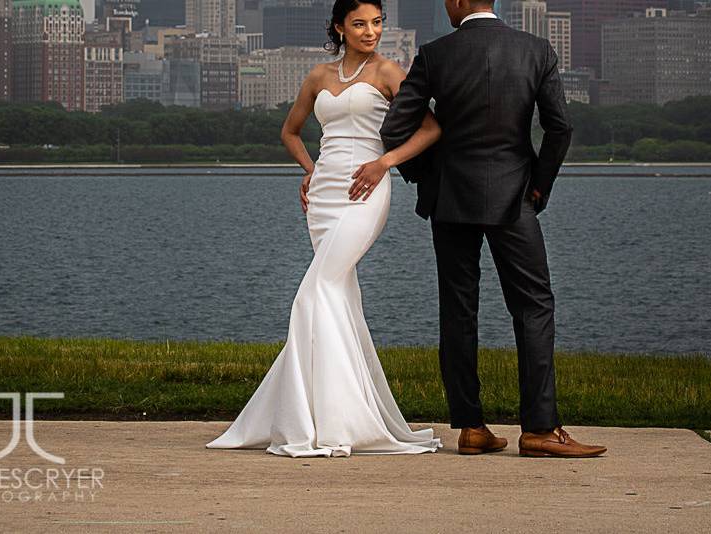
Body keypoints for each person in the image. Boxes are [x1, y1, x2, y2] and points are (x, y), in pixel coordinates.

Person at [355, 0, 607, 457]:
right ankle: (540, 429)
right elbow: (560, 129)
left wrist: (428, 178)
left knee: (458, 310)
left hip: (450, 198)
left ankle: (470, 427)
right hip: (515, 197)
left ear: (455, 2)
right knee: (533, 307)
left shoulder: (435, 53)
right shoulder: (537, 49)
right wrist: (538, 187)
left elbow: (395, 128)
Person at [205, 0, 444, 457]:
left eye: (376, 22)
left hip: (366, 191)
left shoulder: (389, 72)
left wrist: (384, 163)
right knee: (336, 298)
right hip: (325, 194)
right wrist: (310, 170)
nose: (371, 31)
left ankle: (310, 417)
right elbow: (290, 132)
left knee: (313, 292)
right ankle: (336, 415)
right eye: (360, 24)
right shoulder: (319, 76)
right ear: (340, 27)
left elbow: (431, 129)